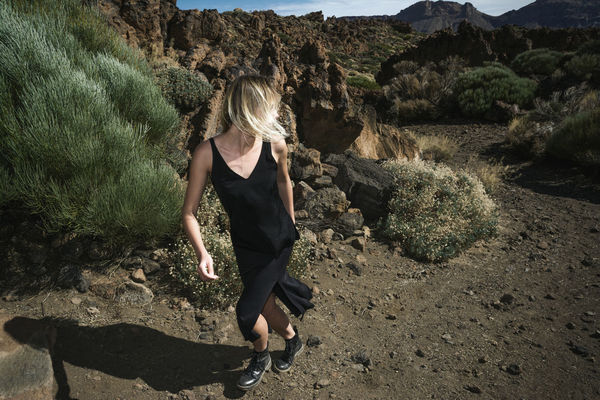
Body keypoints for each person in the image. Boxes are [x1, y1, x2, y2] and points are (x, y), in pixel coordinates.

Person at [181, 74, 315, 391]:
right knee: (265, 304)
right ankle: (293, 341)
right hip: (246, 246)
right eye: (269, 108)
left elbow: (284, 182)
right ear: (250, 108)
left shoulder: (275, 145)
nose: (275, 114)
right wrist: (203, 253)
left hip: (278, 242)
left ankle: (261, 355)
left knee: (246, 312)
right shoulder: (206, 154)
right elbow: (189, 213)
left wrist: (292, 223)